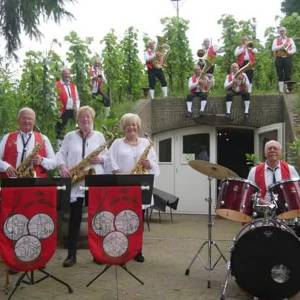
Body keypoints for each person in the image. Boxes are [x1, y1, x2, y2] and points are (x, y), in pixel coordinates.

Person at [56, 106, 108, 267]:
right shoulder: (70, 136)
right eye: (82, 117)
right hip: (75, 181)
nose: (85, 119)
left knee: (96, 219)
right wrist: (63, 167)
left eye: (88, 117)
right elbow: (61, 154)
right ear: (77, 120)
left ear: (92, 119)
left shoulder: (99, 136)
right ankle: (71, 255)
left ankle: (98, 254)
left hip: (93, 181)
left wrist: (101, 160)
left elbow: (108, 156)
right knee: (74, 219)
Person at [108, 113, 159, 262]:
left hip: (140, 187)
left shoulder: (145, 143)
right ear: (124, 127)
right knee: (121, 219)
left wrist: (148, 164)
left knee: (138, 220)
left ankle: (138, 250)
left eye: (134, 124)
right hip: (122, 186)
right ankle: (121, 249)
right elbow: (110, 162)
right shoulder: (117, 143)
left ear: (138, 126)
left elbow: (155, 164)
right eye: (129, 125)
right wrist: (118, 172)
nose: (132, 127)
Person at [0, 107, 57, 178]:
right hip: (11, 183)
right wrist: (6, 167)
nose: (26, 121)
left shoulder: (44, 138)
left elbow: (54, 163)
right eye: (23, 118)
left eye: (30, 119)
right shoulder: (7, 137)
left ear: (34, 121)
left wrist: (42, 160)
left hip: (35, 184)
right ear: (18, 120)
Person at [248, 140, 299, 204]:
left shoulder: (290, 169)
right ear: (265, 153)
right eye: (269, 149)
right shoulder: (254, 171)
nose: (272, 150)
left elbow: (298, 190)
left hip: (286, 210)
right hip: (263, 210)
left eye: (275, 148)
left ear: (280, 152)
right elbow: (249, 193)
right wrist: (260, 201)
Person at [55, 68, 80, 143]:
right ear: (62, 75)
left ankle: (75, 140)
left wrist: (77, 108)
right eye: (66, 75)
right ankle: (60, 143)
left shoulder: (73, 86)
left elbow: (77, 98)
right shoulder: (57, 85)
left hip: (73, 110)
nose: (67, 77)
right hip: (62, 111)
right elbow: (53, 99)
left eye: (69, 75)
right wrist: (57, 110)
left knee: (76, 125)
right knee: (61, 129)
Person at [272, 26, 296, 94]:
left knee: (288, 74)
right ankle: (281, 90)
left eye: (283, 31)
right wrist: (282, 46)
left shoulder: (290, 39)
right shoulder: (275, 40)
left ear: (285, 31)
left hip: (288, 58)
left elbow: (294, 49)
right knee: (279, 73)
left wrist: (290, 52)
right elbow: (273, 49)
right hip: (279, 58)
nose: (282, 32)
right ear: (279, 32)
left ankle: (287, 90)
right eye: (280, 31)